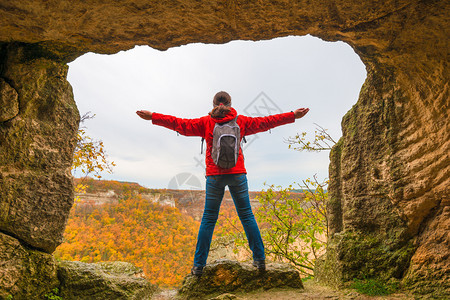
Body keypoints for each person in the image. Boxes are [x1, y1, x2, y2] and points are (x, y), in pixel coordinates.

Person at [136, 91, 309, 276]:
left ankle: (198, 267)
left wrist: (153, 117)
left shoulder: (205, 122)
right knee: (247, 216)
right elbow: (267, 121)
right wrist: (293, 115)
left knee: (209, 219)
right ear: (229, 103)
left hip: (214, 175)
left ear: (214, 104)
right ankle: (259, 261)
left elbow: (180, 124)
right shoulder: (240, 121)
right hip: (237, 174)